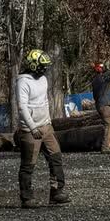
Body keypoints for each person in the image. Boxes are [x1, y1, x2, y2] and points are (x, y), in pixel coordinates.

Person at [16, 49, 69, 209]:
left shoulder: (44, 79)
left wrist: (48, 121)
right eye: (41, 66)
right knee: (28, 165)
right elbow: (22, 107)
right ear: (33, 65)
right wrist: (32, 127)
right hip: (30, 130)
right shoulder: (23, 82)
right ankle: (26, 198)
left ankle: (56, 192)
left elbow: (45, 101)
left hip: (46, 127)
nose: (44, 69)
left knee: (56, 157)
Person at [91, 62, 110, 153]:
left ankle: (104, 145)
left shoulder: (94, 80)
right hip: (105, 105)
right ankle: (105, 147)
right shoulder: (102, 79)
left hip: (99, 104)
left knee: (107, 124)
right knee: (108, 125)